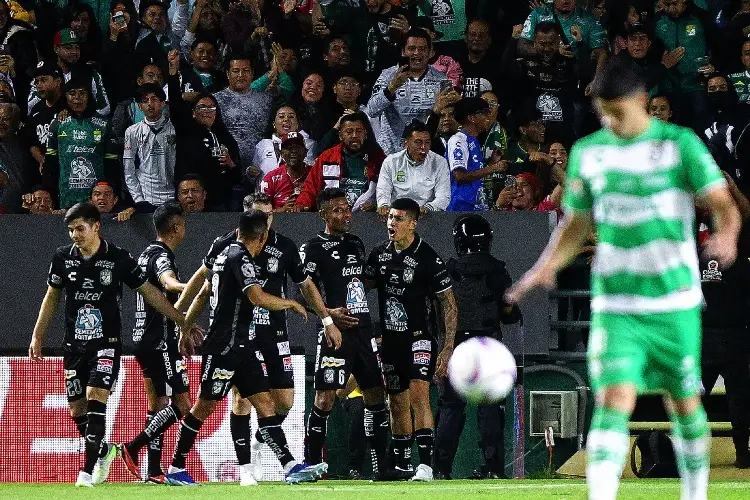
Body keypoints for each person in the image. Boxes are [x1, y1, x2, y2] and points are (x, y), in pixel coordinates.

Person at [506, 57, 742, 500]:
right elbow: (575, 225)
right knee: (614, 400)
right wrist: (542, 269)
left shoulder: (679, 145)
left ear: (640, 101)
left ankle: (696, 494)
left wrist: (727, 237)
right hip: (616, 304)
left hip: (674, 301)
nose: (609, 121)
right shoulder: (588, 153)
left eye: (616, 111)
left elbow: (722, 203)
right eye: (601, 113)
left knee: (684, 403)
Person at [28, 202, 188, 487]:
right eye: (71, 230)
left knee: (95, 395)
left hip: (107, 343)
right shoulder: (62, 258)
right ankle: (105, 451)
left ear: (96, 226)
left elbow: (150, 292)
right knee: (77, 410)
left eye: (80, 228)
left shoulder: (118, 258)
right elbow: (51, 297)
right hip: (74, 346)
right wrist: (38, 335)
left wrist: (180, 318)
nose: (75, 235)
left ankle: (86, 473)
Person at [166, 210, 327, 486]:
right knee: (203, 408)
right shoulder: (240, 257)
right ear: (262, 237)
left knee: (265, 403)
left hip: (241, 345)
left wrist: (183, 325)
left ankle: (289, 466)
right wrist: (290, 303)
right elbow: (257, 296)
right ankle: (175, 468)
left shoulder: (223, 252)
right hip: (224, 346)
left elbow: (204, 293)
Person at [365, 197, 457, 482]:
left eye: (399, 218)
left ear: (413, 224)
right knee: (396, 401)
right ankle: (403, 465)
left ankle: (426, 466)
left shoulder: (428, 258)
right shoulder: (379, 254)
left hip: (420, 337)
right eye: (390, 217)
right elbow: (361, 287)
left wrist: (448, 345)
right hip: (391, 342)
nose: (392, 223)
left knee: (419, 394)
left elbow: (449, 303)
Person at [300, 188, 389, 479]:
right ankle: (311, 464)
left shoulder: (355, 243)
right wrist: (327, 315)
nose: (344, 215)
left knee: (375, 395)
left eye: (346, 209)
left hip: (363, 331)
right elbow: (304, 290)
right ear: (323, 214)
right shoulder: (312, 247)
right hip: (335, 332)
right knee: (324, 398)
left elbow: (362, 282)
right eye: (336, 210)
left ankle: (380, 465)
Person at [433, 214, 520, 480]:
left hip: (455, 344)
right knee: (490, 407)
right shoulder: (496, 270)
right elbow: (508, 311)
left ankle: (441, 470)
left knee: (450, 407)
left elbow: (437, 311)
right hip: (488, 344)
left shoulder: (448, 271)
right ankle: (493, 468)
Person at [118, 201, 193, 484]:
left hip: (143, 339)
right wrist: (194, 287)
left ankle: (154, 471)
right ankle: (133, 447)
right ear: (176, 227)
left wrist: (184, 322)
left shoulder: (144, 253)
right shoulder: (162, 255)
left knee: (158, 406)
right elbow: (169, 283)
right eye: (183, 223)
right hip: (159, 341)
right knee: (183, 406)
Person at [167, 50, 241, 211]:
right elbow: (175, 105)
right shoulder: (186, 131)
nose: (206, 111)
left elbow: (237, 176)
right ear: (193, 113)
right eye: (201, 107)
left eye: (211, 107)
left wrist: (230, 163)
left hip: (220, 203)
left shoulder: (226, 138)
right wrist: (173, 74)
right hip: (192, 201)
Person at [368, 28, 449, 155]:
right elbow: (372, 110)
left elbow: (447, 117)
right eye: (411, 48)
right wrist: (391, 88)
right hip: (392, 153)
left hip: (425, 153)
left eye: (422, 49)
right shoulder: (387, 76)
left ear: (430, 52)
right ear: (403, 51)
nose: (417, 53)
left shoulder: (441, 79)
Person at [43, 78, 118, 210]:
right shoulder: (58, 123)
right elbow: (50, 164)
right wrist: (52, 195)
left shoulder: (104, 124)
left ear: (89, 96)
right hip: (66, 198)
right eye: (72, 93)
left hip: (98, 200)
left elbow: (112, 164)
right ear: (65, 96)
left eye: (82, 93)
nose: (77, 98)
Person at [295, 112, 384, 211]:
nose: (355, 135)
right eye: (349, 132)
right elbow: (310, 188)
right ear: (340, 135)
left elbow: (388, 190)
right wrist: (301, 204)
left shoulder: (378, 158)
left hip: (366, 217)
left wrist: (376, 204)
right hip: (334, 215)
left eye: (359, 131)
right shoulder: (327, 157)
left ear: (365, 134)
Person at [214, 54, 274, 173]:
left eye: (246, 70)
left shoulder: (267, 100)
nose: (241, 75)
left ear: (252, 73)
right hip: (226, 167)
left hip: (261, 167)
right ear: (227, 73)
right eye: (236, 71)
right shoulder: (216, 100)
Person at [376, 120, 451, 214]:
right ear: (406, 143)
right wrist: (383, 205)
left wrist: (429, 208)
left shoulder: (440, 162)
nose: (423, 147)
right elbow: (383, 191)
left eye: (427, 142)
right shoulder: (391, 162)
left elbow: (444, 196)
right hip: (397, 215)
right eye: (418, 142)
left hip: (427, 216)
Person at [446, 97, 507, 211]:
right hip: (460, 206)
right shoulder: (458, 140)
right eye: (485, 113)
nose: (488, 117)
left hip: (475, 206)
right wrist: (493, 168)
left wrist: (491, 163)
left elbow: (474, 172)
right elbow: (459, 175)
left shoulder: (473, 140)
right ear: (472, 118)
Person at [123, 84, 176, 210]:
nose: (150, 104)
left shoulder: (174, 129)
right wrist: (138, 199)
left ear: (163, 103)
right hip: (146, 198)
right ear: (140, 106)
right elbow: (128, 169)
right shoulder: (132, 131)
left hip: (173, 196)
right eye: (145, 101)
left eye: (154, 99)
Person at [26, 61, 64, 174]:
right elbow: (31, 142)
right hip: (45, 170)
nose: (39, 85)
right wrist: (43, 160)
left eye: (44, 80)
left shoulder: (69, 105)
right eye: (37, 81)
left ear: (58, 81)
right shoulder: (36, 109)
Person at [260, 132, 311, 211]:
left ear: (305, 152)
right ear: (281, 153)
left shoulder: (315, 174)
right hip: (279, 222)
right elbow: (261, 213)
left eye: (297, 147)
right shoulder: (270, 179)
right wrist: (283, 210)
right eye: (288, 148)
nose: (293, 151)